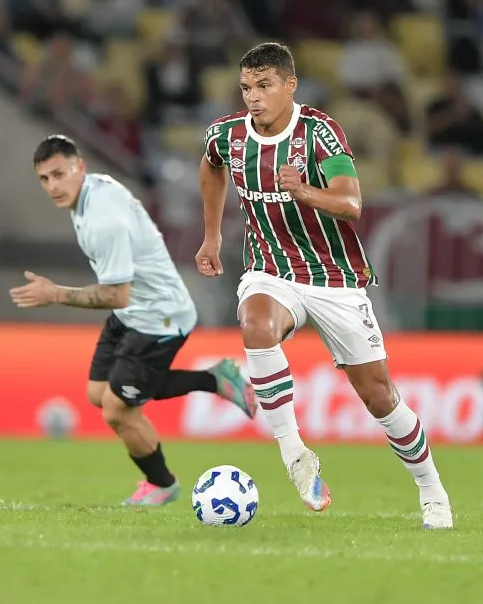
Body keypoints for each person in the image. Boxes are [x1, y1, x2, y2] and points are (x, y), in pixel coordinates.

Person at [195, 42, 454, 529]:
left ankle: (431, 488)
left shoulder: (318, 133)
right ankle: (294, 453)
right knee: (255, 324)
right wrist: (212, 236)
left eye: (265, 86)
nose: (253, 97)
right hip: (270, 269)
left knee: (379, 396)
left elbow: (351, 203)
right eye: (247, 87)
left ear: (290, 85)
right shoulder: (225, 137)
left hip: (334, 277)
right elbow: (210, 168)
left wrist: (304, 190)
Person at [9, 135, 257, 507]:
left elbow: (116, 294)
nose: (53, 186)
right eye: (44, 179)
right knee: (99, 393)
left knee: (117, 409)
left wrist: (55, 294)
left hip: (158, 319)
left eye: (59, 174)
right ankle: (215, 379)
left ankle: (162, 484)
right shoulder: (93, 191)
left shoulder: (101, 221)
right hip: (133, 313)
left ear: (80, 168)